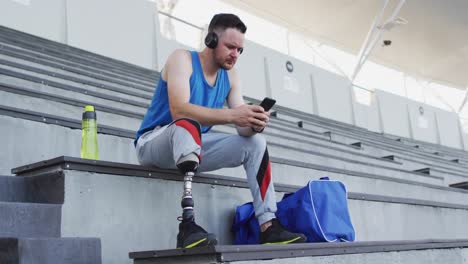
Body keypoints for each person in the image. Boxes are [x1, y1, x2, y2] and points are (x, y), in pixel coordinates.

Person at [135, 13, 306, 248]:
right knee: (187, 124)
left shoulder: (231, 75)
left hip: (194, 144)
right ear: (211, 40)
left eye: (240, 50)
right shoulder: (181, 59)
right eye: (230, 47)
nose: (235, 54)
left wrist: (253, 123)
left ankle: (268, 225)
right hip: (155, 143)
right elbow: (179, 110)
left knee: (256, 143)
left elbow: (241, 129)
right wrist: (234, 115)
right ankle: (187, 225)